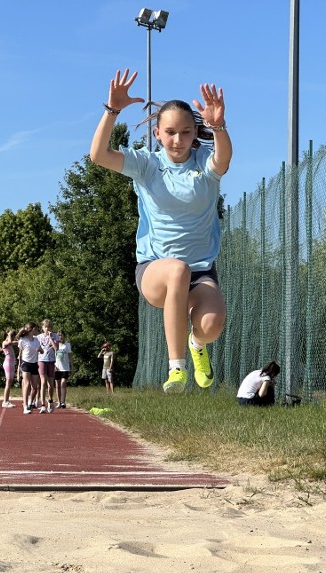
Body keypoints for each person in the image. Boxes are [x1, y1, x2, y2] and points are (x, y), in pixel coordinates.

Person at [90, 69, 231, 394]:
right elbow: (98, 155)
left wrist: (219, 126)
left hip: (201, 272)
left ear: (196, 131)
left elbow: (223, 159)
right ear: (157, 133)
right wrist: (112, 111)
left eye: (185, 132)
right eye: (170, 133)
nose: (178, 140)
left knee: (211, 326)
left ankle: (197, 346)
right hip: (155, 270)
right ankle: (176, 368)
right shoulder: (147, 165)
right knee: (176, 269)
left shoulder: (204, 165)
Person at [17, 322, 42, 414]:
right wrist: (19, 367)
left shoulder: (36, 340)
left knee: (35, 388)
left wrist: (40, 350)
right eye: (37, 329)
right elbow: (19, 355)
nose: (38, 331)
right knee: (26, 384)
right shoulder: (22, 340)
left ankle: (29, 403)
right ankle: (25, 406)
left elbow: (42, 351)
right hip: (26, 364)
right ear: (32, 329)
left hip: (34, 364)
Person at [37, 319, 58, 413]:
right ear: (42, 327)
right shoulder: (38, 337)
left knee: (50, 384)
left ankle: (50, 400)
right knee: (43, 382)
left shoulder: (55, 336)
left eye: (49, 327)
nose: (47, 329)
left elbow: (56, 348)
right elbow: (35, 347)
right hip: (41, 360)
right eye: (45, 327)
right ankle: (42, 405)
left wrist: (50, 338)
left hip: (51, 361)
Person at [0, 328, 18, 408]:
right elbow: (10, 342)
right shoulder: (5, 342)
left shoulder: (10, 342)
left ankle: (6, 401)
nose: (13, 338)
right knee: (8, 382)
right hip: (8, 363)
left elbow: (16, 342)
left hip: (11, 364)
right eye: (12, 336)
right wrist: (9, 334)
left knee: (9, 382)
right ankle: (5, 401)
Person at [54, 330, 72, 409]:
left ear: (64, 336)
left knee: (63, 383)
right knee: (57, 385)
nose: (60, 337)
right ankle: (59, 401)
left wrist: (72, 366)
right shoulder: (55, 345)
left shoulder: (67, 345)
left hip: (65, 367)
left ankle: (63, 401)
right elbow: (52, 355)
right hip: (57, 367)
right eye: (58, 336)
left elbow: (70, 356)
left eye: (61, 335)